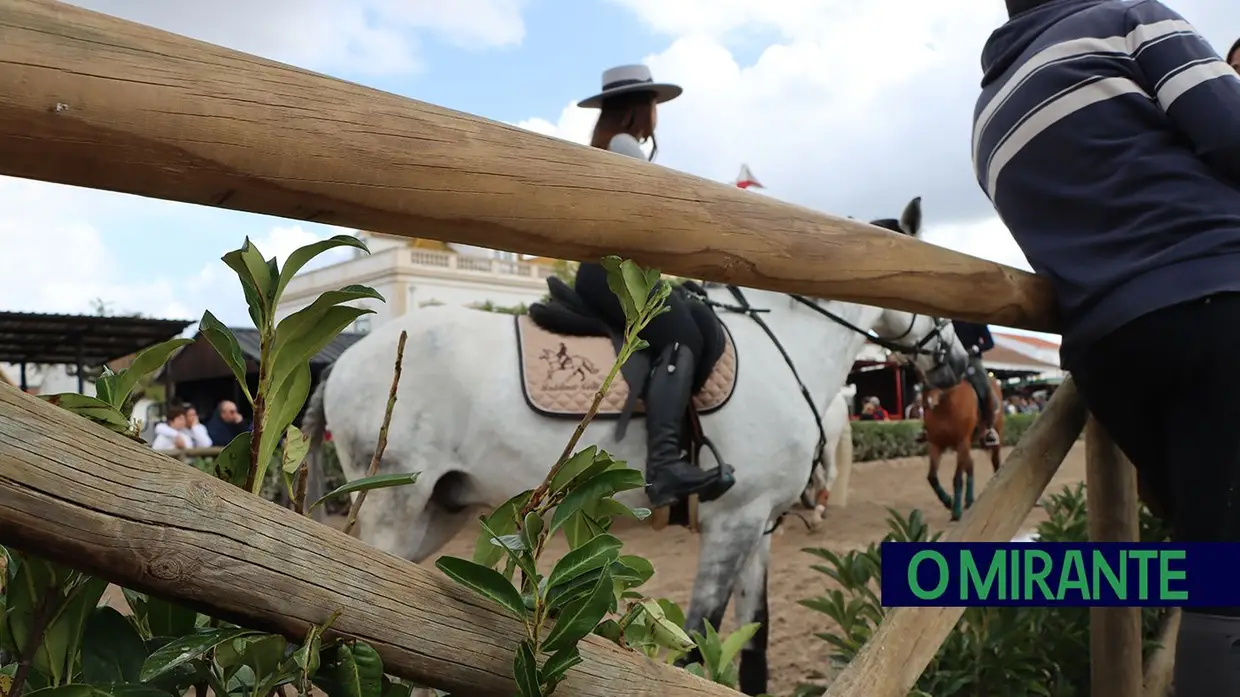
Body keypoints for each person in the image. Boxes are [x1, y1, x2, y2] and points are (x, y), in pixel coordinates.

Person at [973, 1, 1240, 693]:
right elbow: (1232, 134)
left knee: (1217, 558)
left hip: (1108, 354)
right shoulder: (1129, 17)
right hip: (1217, 294)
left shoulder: (987, 114)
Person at [570, 64, 715, 509]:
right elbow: (661, 214)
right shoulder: (625, 146)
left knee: (684, 314)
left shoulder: (607, 144)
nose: (657, 113)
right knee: (685, 334)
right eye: (653, 104)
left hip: (612, 272)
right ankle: (665, 466)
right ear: (639, 109)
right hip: (613, 274)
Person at [953, 320, 1001, 447]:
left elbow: (989, 342)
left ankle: (989, 427)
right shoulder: (949, 322)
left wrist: (976, 348)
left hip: (972, 359)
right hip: (953, 360)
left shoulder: (976, 320)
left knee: (984, 386)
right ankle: (929, 427)